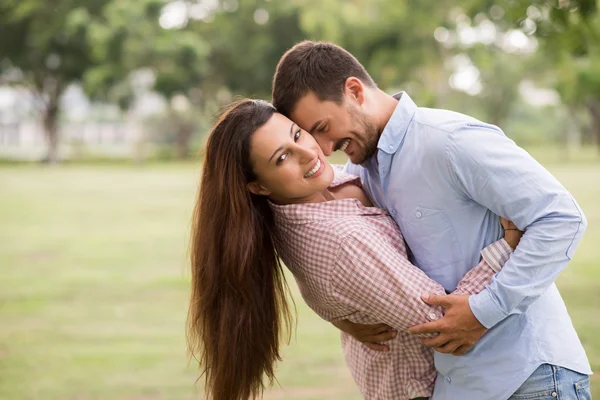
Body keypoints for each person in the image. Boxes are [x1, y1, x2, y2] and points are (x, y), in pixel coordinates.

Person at [271, 40, 592, 399]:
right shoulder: (359, 176)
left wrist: (484, 311)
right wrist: (342, 318)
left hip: (528, 377)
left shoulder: (449, 141)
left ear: (355, 91)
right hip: (457, 385)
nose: (324, 148)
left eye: (323, 127)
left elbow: (561, 218)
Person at [186, 99, 523, 400]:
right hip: (421, 388)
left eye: (297, 134)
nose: (307, 153)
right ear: (258, 186)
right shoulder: (343, 242)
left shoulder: (315, 190)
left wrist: (336, 314)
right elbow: (440, 323)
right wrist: (503, 249)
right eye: (282, 157)